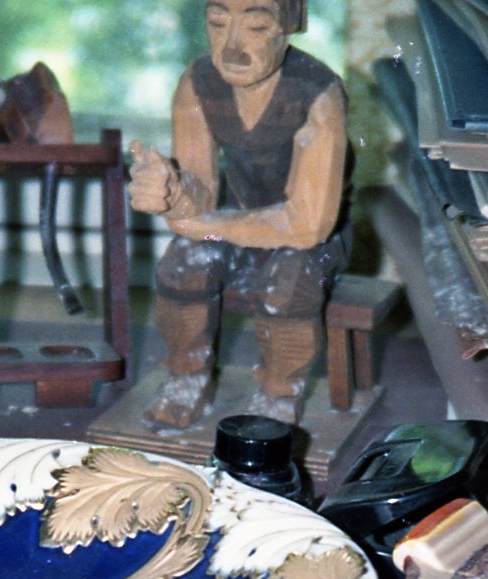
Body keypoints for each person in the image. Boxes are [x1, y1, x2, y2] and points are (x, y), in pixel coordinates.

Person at [128, 0, 350, 427]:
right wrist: (173, 193)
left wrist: (197, 222)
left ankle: (279, 395)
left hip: (316, 242)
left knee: (291, 278)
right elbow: (199, 195)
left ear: (288, 27)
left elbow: (307, 226)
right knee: (185, 260)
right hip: (233, 226)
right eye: (217, 23)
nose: (232, 46)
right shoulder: (198, 83)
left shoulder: (319, 94)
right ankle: (186, 379)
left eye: (257, 27)